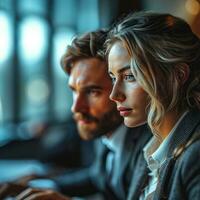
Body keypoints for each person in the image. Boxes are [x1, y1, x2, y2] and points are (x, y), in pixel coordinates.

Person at [3, 29, 151, 200]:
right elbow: (96, 176)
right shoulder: (106, 132)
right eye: (74, 91)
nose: (76, 107)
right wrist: (44, 185)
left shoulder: (149, 145)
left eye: (92, 92)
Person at [106, 11, 200, 200]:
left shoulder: (196, 157)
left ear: (178, 75)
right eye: (113, 78)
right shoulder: (148, 147)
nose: (114, 95)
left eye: (130, 76)